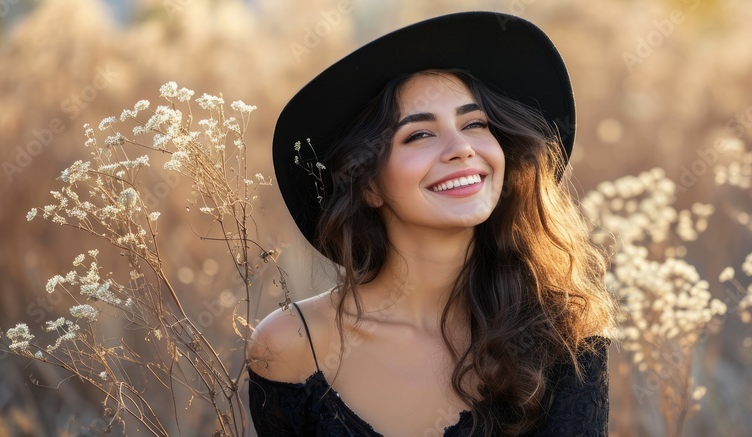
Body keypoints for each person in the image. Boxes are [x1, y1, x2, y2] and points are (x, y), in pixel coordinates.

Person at [247, 11, 618, 437]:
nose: (461, 148)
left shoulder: (566, 334)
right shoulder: (292, 345)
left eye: (475, 123)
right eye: (419, 134)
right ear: (368, 185)